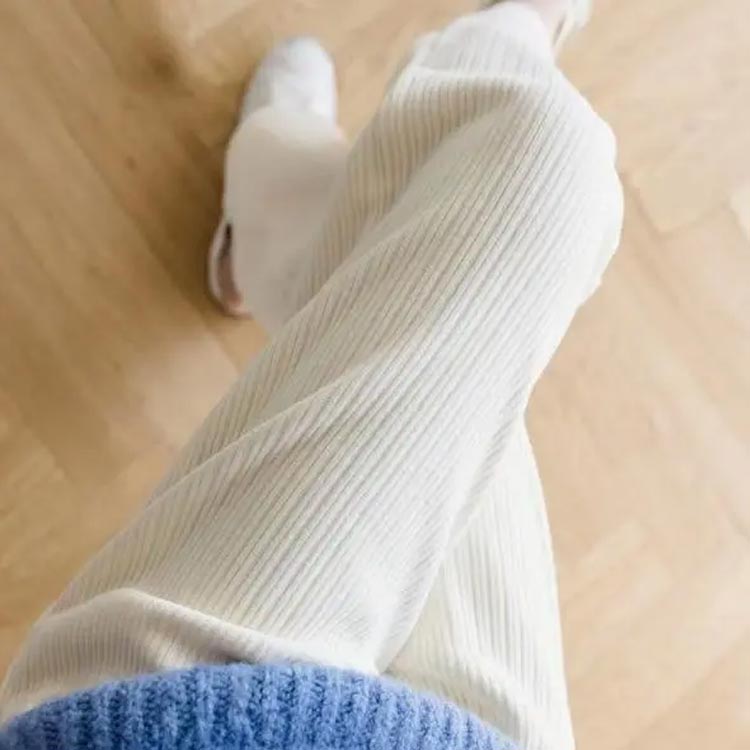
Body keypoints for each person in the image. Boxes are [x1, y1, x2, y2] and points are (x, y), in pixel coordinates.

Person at [0, 2, 623, 750]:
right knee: (456, 332)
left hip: (216, 713)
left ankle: (504, 36)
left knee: (540, 157)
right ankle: (273, 222)